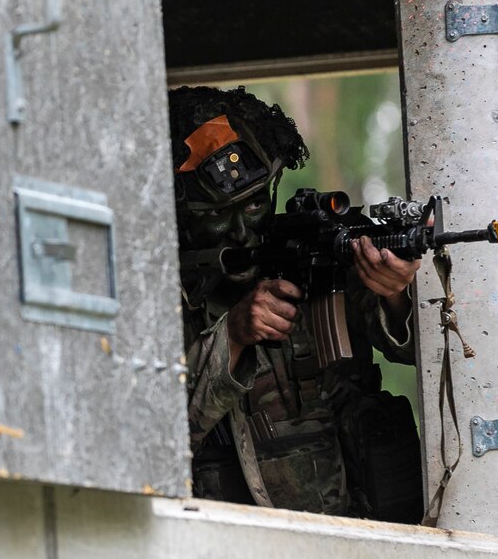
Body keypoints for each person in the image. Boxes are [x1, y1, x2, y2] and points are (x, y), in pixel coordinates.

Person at [170, 85, 424, 521]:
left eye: (252, 208)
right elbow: (151, 435)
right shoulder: (157, 295)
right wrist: (232, 335)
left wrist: (395, 292)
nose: (240, 232)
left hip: (362, 528)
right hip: (227, 540)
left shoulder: (317, 256)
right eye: (215, 216)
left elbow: (421, 352)